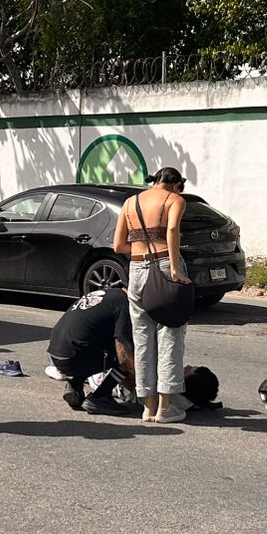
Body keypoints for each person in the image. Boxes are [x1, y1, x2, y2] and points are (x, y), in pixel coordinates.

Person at [113, 166, 193, 423]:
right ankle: (165, 407)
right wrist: (172, 267)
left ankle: (147, 406)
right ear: (176, 184)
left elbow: (118, 246)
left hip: (136, 268)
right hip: (163, 264)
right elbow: (171, 232)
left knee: (142, 337)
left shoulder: (130, 202)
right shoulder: (175, 200)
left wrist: (140, 248)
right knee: (170, 333)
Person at [46, 287, 136, 413]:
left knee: (91, 343)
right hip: (73, 358)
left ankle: (75, 386)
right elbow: (123, 347)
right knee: (124, 357)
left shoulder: (108, 294)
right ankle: (100, 397)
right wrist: (134, 381)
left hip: (55, 355)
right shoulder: (124, 304)